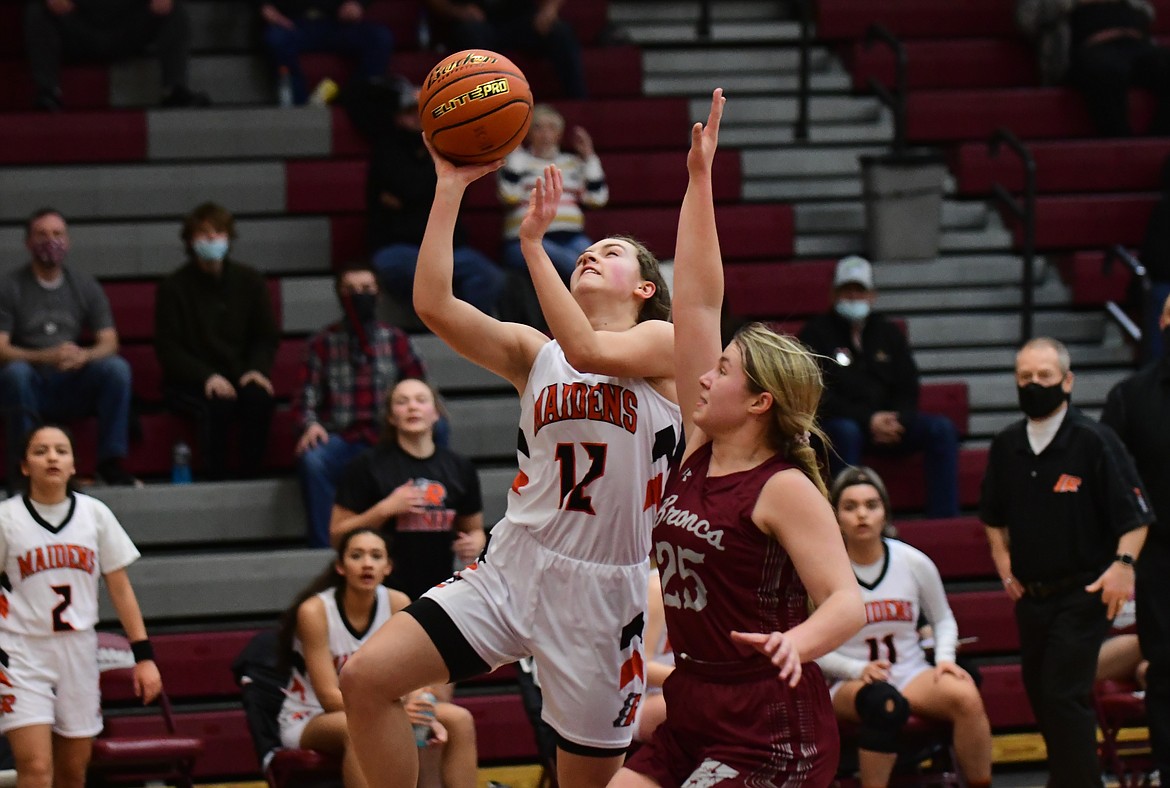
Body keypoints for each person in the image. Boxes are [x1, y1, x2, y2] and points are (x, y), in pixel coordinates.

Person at [341, 96, 683, 788]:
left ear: (647, 287)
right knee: (369, 679)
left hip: (604, 591)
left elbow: (589, 350)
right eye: (583, 249)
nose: (590, 254)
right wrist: (449, 188)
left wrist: (533, 246)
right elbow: (434, 303)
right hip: (514, 567)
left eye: (608, 253)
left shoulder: (667, 350)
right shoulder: (537, 354)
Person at [610, 88, 864, 787]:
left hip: (770, 723)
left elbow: (846, 600)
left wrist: (797, 643)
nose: (701, 376)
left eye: (720, 371)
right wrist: (699, 180)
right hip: (693, 702)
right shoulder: (695, 447)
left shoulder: (782, 486)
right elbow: (696, 300)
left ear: (757, 401)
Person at [981, 336, 1154, 788]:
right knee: (1043, 695)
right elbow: (992, 516)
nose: (1034, 384)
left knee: (1063, 693)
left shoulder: (1095, 441)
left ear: (1068, 381)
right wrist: (1002, 560)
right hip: (1032, 597)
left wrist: (1123, 565)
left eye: (1044, 376)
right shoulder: (1006, 446)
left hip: (1084, 591)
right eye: (1025, 377)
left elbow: (1137, 517)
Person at [0, 424, 163, 788]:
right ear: (24, 466)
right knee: (37, 769)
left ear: (74, 464)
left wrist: (145, 655)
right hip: (20, 651)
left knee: (73, 772)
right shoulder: (6, 519)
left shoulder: (95, 514)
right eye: (40, 451)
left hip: (79, 650)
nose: (52, 457)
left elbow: (121, 590)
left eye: (61, 450)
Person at [818, 466, 992, 788]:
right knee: (885, 704)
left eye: (871, 505)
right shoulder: (822, 570)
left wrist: (944, 660)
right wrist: (856, 669)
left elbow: (942, 619)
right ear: (836, 516)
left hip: (910, 671)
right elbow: (811, 646)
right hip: (846, 680)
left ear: (885, 511)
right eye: (850, 506)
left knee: (966, 696)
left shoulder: (913, 562)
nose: (862, 515)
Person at [276, 527, 476, 788]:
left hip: (384, 707)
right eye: (356, 556)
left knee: (459, 720)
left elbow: (413, 675)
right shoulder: (314, 611)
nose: (367, 564)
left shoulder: (397, 602)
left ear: (388, 567)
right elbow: (328, 697)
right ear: (340, 566)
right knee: (362, 730)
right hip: (313, 716)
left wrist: (418, 702)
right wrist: (399, 712)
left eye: (376, 556)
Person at [798, 255, 960, 518]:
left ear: (872, 295)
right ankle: (844, 514)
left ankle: (944, 518)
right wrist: (868, 419)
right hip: (844, 425)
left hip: (890, 424)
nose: (853, 296)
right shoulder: (816, 334)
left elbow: (908, 385)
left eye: (859, 290)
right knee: (845, 432)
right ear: (833, 294)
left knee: (941, 429)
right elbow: (818, 395)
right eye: (846, 290)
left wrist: (899, 420)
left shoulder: (888, 332)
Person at [0, 208, 137, 489]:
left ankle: (110, 464)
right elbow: (1, 348)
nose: (51, 240)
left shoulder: (84, 284)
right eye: (42, 234)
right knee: (16, 373)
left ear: (68, 241)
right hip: (31, 382)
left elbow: (109, 341)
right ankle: (24, 468)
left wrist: (84, 355)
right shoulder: (9, 286)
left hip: (73, 379)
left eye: (57, 234)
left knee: (116, 369)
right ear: (28, 243)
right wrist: (44, 357)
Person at [295, 262, 428, 548]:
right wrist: (310, 424)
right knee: (314, 459)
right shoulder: (322, 343)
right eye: (351, 290)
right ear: (340, 296)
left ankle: (424, 533)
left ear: (378, 294)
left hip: (391, 435)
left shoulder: (396, 340)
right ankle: (326, 546)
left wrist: (412, 414)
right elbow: (306, 395)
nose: (359, 296)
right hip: (344, 438)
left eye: (366, 289)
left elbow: (419, 386)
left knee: (436, 431)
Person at [154, 202, 280, 480]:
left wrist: (256, 370)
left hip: (240, 372)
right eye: (203, 234)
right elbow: (169, 348)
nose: (212, 239)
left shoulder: (250, 281)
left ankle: (252, 476)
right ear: (190, 241)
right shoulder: (173, 287)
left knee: (258, 398)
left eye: (218, 233)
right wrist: (206, 376)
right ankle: (217, 479)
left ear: (229, 238)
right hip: (190, 380)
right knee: (217, 403)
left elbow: (266, 335)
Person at [330, 378, 484, 601]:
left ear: (436, 413)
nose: (412, 406)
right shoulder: (366, 466)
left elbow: (474, 530)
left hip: (442, 592)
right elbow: (338, 536)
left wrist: (475, 543)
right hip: (384, 592)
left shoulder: (460, 467)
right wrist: (385, 509)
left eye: (421, 400)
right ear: (391, 416)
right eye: (402, 402)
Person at [1100, 297, 1170, 777]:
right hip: (1159, 558)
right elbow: (1107, 478)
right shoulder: (1131, 396)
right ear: (1163, 320)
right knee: (1166, 673)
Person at [366, 81, 503, 317]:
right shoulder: (385, 150)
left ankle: (466, 331)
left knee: (491, 277)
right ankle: (441, 322)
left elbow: (445, 193)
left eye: (423, 115)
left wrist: (409, 198)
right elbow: (411, 187)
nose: (417, 121)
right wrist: (435, 187)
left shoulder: (449, 151)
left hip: (450, 248)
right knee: (403, 269)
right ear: (398, 117)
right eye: (410, 114)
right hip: (399, 247)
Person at [1017, 0, 1170, 136]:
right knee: (1107, 72)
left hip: (1137, 43)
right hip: (1091, 48)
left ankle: (1158, 143)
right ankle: (1123, 144)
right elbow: (1026, 18)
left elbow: (1148, 12)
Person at [23, 0, 208, 111]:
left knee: (173, 10)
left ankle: (174, 88)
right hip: (76, 23)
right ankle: (49, 91)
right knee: (39, 9)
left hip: (127, 27)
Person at [497, 104, 608, 282]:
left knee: (594, 259)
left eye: (552, 127)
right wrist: (516, 155)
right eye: (538, 127)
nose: (545, 134)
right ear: (528, 133)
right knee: (586, 266)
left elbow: (597, 199)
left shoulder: (572, 163)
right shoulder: (517, 162)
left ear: (560, 133)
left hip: (572, 237)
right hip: (526, 240)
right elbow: (509, 195)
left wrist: (589, 157)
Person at [423, 0, 587, 98]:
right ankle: (487, 100)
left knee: (561, 32)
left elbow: (549, 9)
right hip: (478, 20)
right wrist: (458, 12)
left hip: (523, 19)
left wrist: (549, 10)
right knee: (470, 34)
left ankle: (577, 99)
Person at [257, 0, 392, 106]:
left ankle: (355, 98)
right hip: (292, 22)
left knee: (379, 38)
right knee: (275, 39)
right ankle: (299, 106)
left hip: (337, 22)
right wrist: (264, 6)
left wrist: (358, 4)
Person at [631, 568, 671, 744]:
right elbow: (639, 666)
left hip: (672, 688)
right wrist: (695, 681)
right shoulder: (657, 589)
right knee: (708, 701)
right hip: (632, 697)